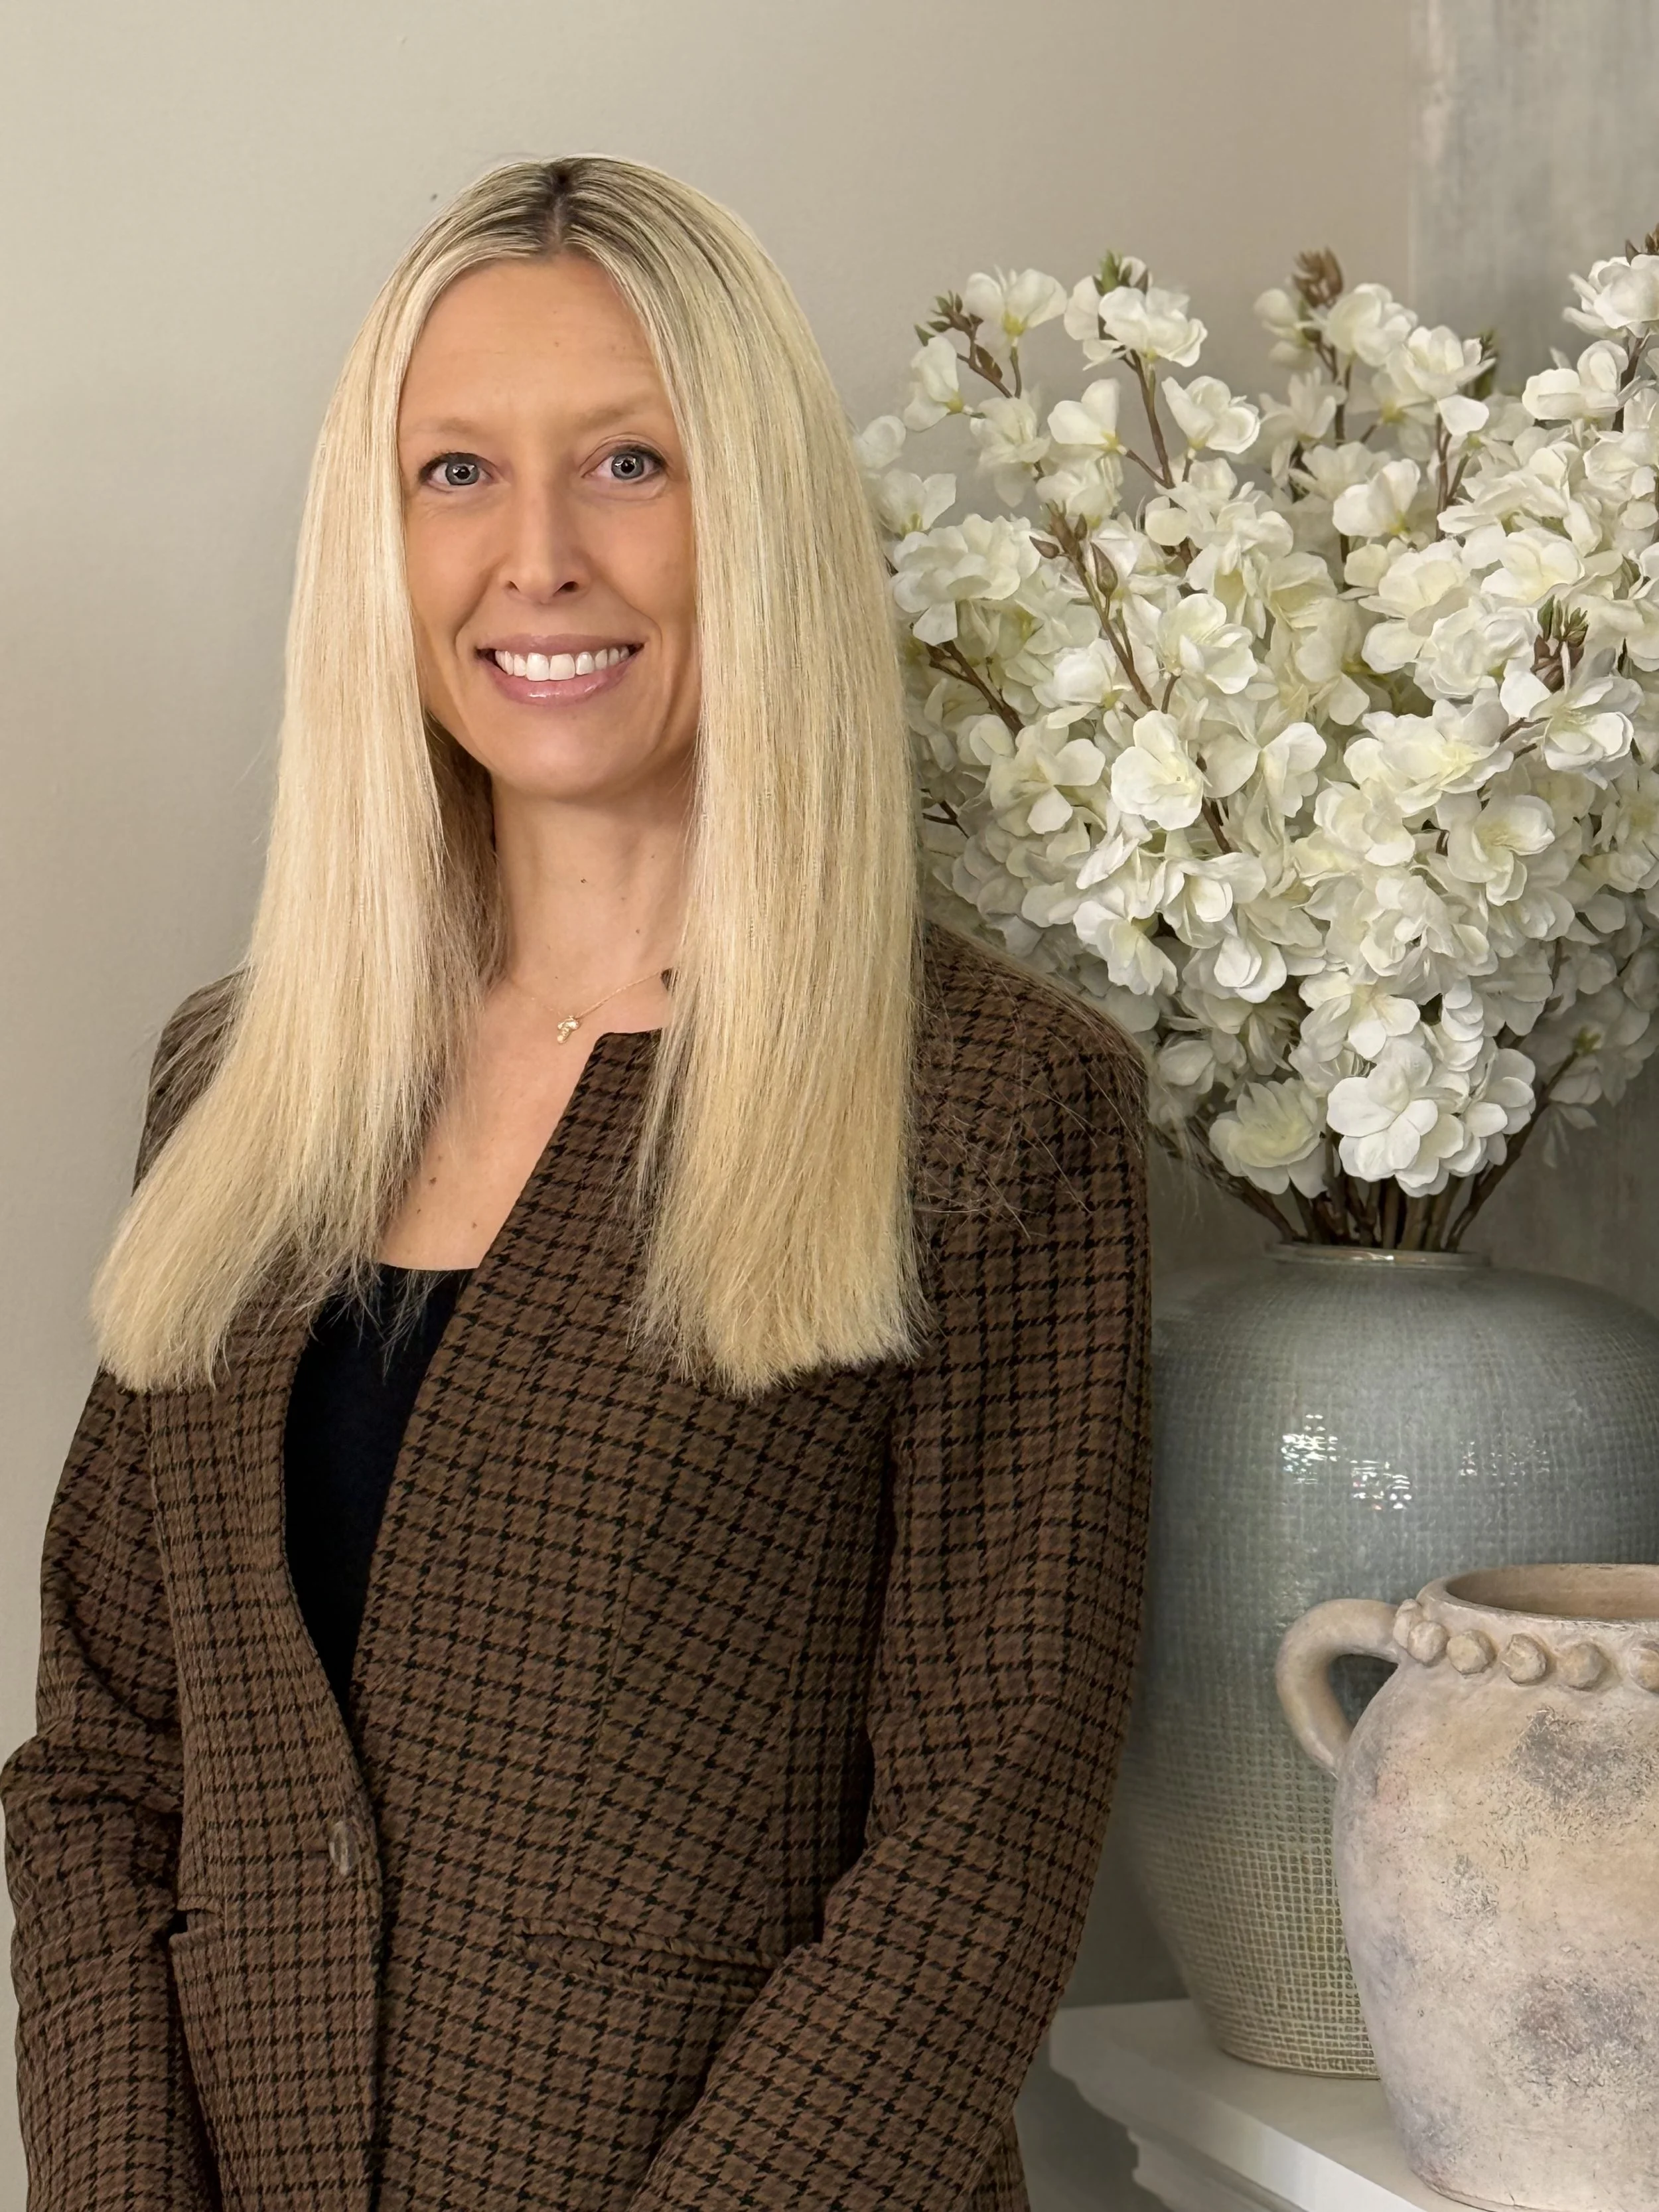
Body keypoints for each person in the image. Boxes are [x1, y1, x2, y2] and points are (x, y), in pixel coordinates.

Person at [1, 156, 1149, 2212]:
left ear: (762, 523)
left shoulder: (988, 1105)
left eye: (630, 461)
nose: (535, 557)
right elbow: (101, 1764)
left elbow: (983, 1832)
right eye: (456, 472)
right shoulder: (236, 1082)